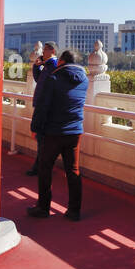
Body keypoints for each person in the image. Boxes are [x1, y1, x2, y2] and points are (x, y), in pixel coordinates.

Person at [27, 50, 87, 220]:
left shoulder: (53, 79)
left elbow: (42, 107)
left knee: (45, 168)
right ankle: (74, 211)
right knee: (73, 170)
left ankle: (43, 207)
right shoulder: (84, 80)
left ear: (61, 61)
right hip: (75, 131)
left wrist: (35, 128)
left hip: (53, 131)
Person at [25, 42, 59, 176]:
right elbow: (39, 79)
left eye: (44, 50)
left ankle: (41, 168)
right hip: (41, 106)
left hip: (45, 108)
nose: (42, 53)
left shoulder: (53, 65)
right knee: (41, 139)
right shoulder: (47, 66)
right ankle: (40, 167)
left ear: (52, 51)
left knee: (42, 139)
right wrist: (36, 66)